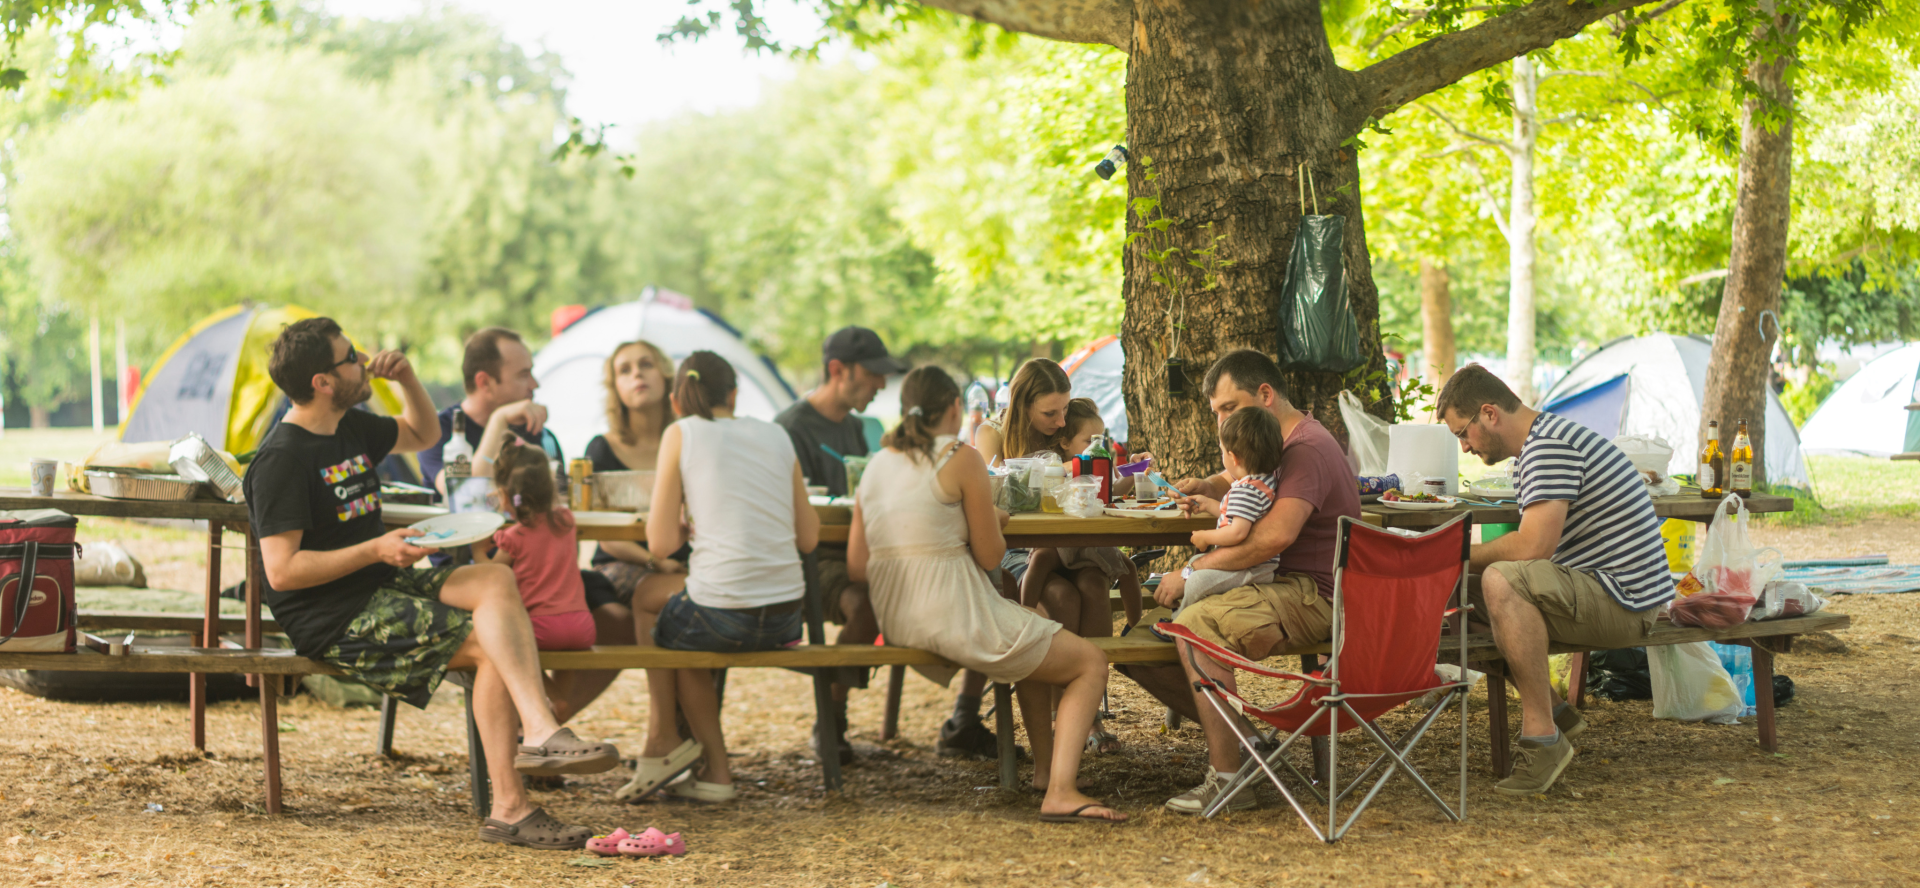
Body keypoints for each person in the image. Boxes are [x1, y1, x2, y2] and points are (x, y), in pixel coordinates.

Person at [243, 318, 617, 849]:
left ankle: (538, 731)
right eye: (351, 357)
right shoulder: (282, 459)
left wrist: (409, 380)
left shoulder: (350, 427)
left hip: (379, 582)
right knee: (488, 649)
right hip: (331, 614)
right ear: (323, 382)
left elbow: (425, 435)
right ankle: (511, 805)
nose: (363, 359)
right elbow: (282, 571)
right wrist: (376, 546)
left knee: (491, 579)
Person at [849, 367, 1125, 824]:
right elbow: (990, 554)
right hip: (952, 614)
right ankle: (1060, 790)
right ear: (955, 408)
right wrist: (991, 521)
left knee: (1034, 627)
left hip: (898, 616)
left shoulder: (877, 463)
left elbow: (859, 565)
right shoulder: (960, 457)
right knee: (1089, 662)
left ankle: (1043, 770)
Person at [1130, 348, 1360, 815]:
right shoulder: (1283, 443)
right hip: (1284, 587)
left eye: (1229, 409)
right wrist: (1206, 486)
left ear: (1266, 395)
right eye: (1217, 413)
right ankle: (1254, 748)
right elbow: (1245, 479)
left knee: (1192, 623)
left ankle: (1229, 779)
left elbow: (1267, 542)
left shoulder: (1306, 448)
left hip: (1315, 595)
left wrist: (1190, 571)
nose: (1221, 424)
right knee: (1139, 644)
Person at [1436, 363, 1671, 796]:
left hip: (1625, 601)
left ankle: (1543, 738)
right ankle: (1557, 710)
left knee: (1502, 581)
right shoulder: (1543, 442)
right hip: (1605, 588)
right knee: (1450, 592)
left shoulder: (1548, 448)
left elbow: (1531, 548)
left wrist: (1450, 552)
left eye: (1462, 433)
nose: (1465, 447)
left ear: (1489, 413)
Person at [617, 351, 820, 805]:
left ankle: (679, 745)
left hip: (724, 617)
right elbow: (808, 539)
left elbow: (659, 545)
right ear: (733, 392)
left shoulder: (681, 433)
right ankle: (681, 749)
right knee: (687, 619)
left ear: (676, 400)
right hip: (787, 617)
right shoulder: (776, 434)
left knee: (658, 608)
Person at [773, 326, 907, 763]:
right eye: (872, 374)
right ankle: (830, 718)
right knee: (868, 601)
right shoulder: (791, 429)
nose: (881, 384)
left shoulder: (858, 429)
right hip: (808, 561)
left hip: (859, 553)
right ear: (837, 370)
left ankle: (963, 718)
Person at [552, 340, 691, 724]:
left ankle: (688, 738)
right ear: (615, 388)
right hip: (622, 565)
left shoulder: (688, 439)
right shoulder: (601, 448)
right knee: (670, 602)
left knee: (702, 605)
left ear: (665, 377)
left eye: (645, 364)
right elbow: (604, 535)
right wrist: (654, 560)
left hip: (684, 566)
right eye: (625, 370)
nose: (637, 375)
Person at [1015, 397, 1144, 754]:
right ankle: (1062, 706)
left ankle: (1095, 701)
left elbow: (1115, 490)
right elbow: (1040, 548)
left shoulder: (1100, 464)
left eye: (1102, 439)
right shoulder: (1055, 467)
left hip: (1088, 547)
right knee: (1047, 570)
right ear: (1065, 444)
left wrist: (1135, 474)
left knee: (1099, 581)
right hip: (1058, 544)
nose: (1098, 446)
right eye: (1090, 441)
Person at [473, 440, 595, 708]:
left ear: (504, 495)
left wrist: (478, 551)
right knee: (567, 652)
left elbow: (493, 574)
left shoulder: (514, 538)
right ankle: (559, 708)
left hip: (540, 629)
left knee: (509, 646)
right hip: (581, 627)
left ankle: (554, 696)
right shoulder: (566, 521)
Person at [417, 327, 561, 497]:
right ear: (485, 383)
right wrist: (498, 420)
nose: (535, 384)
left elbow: (557, 502)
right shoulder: (437, 432)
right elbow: (465, 496)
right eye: (523, 375)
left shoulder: (536, 432)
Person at [1175, 405, 1286, 613]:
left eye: (1222, 451)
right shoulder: (1262, 482)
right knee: (1195, 562)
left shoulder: (1245, 491)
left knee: (1196, 580)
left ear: (1233, 458)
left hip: (1250, 569)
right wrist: (1208, 504)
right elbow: (1239, 516)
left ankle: (1181, 619)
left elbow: (1237, 532)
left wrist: (1206, 536)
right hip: (1257, 565)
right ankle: (1186, 611)